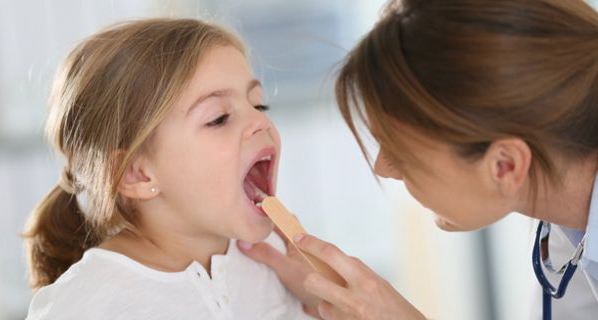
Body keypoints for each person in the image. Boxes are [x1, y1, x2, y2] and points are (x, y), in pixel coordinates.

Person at [238, 0, 598, 319]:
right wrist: (334, 292)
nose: (384, 168)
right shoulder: (568, 231)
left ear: (504, 165)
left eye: (401, 151)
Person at [24, 18, 313, 320]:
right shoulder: (84, 306)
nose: (261, 122)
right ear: (136, 173)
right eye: (218, 118)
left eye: (258, 105)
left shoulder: (279, 259)